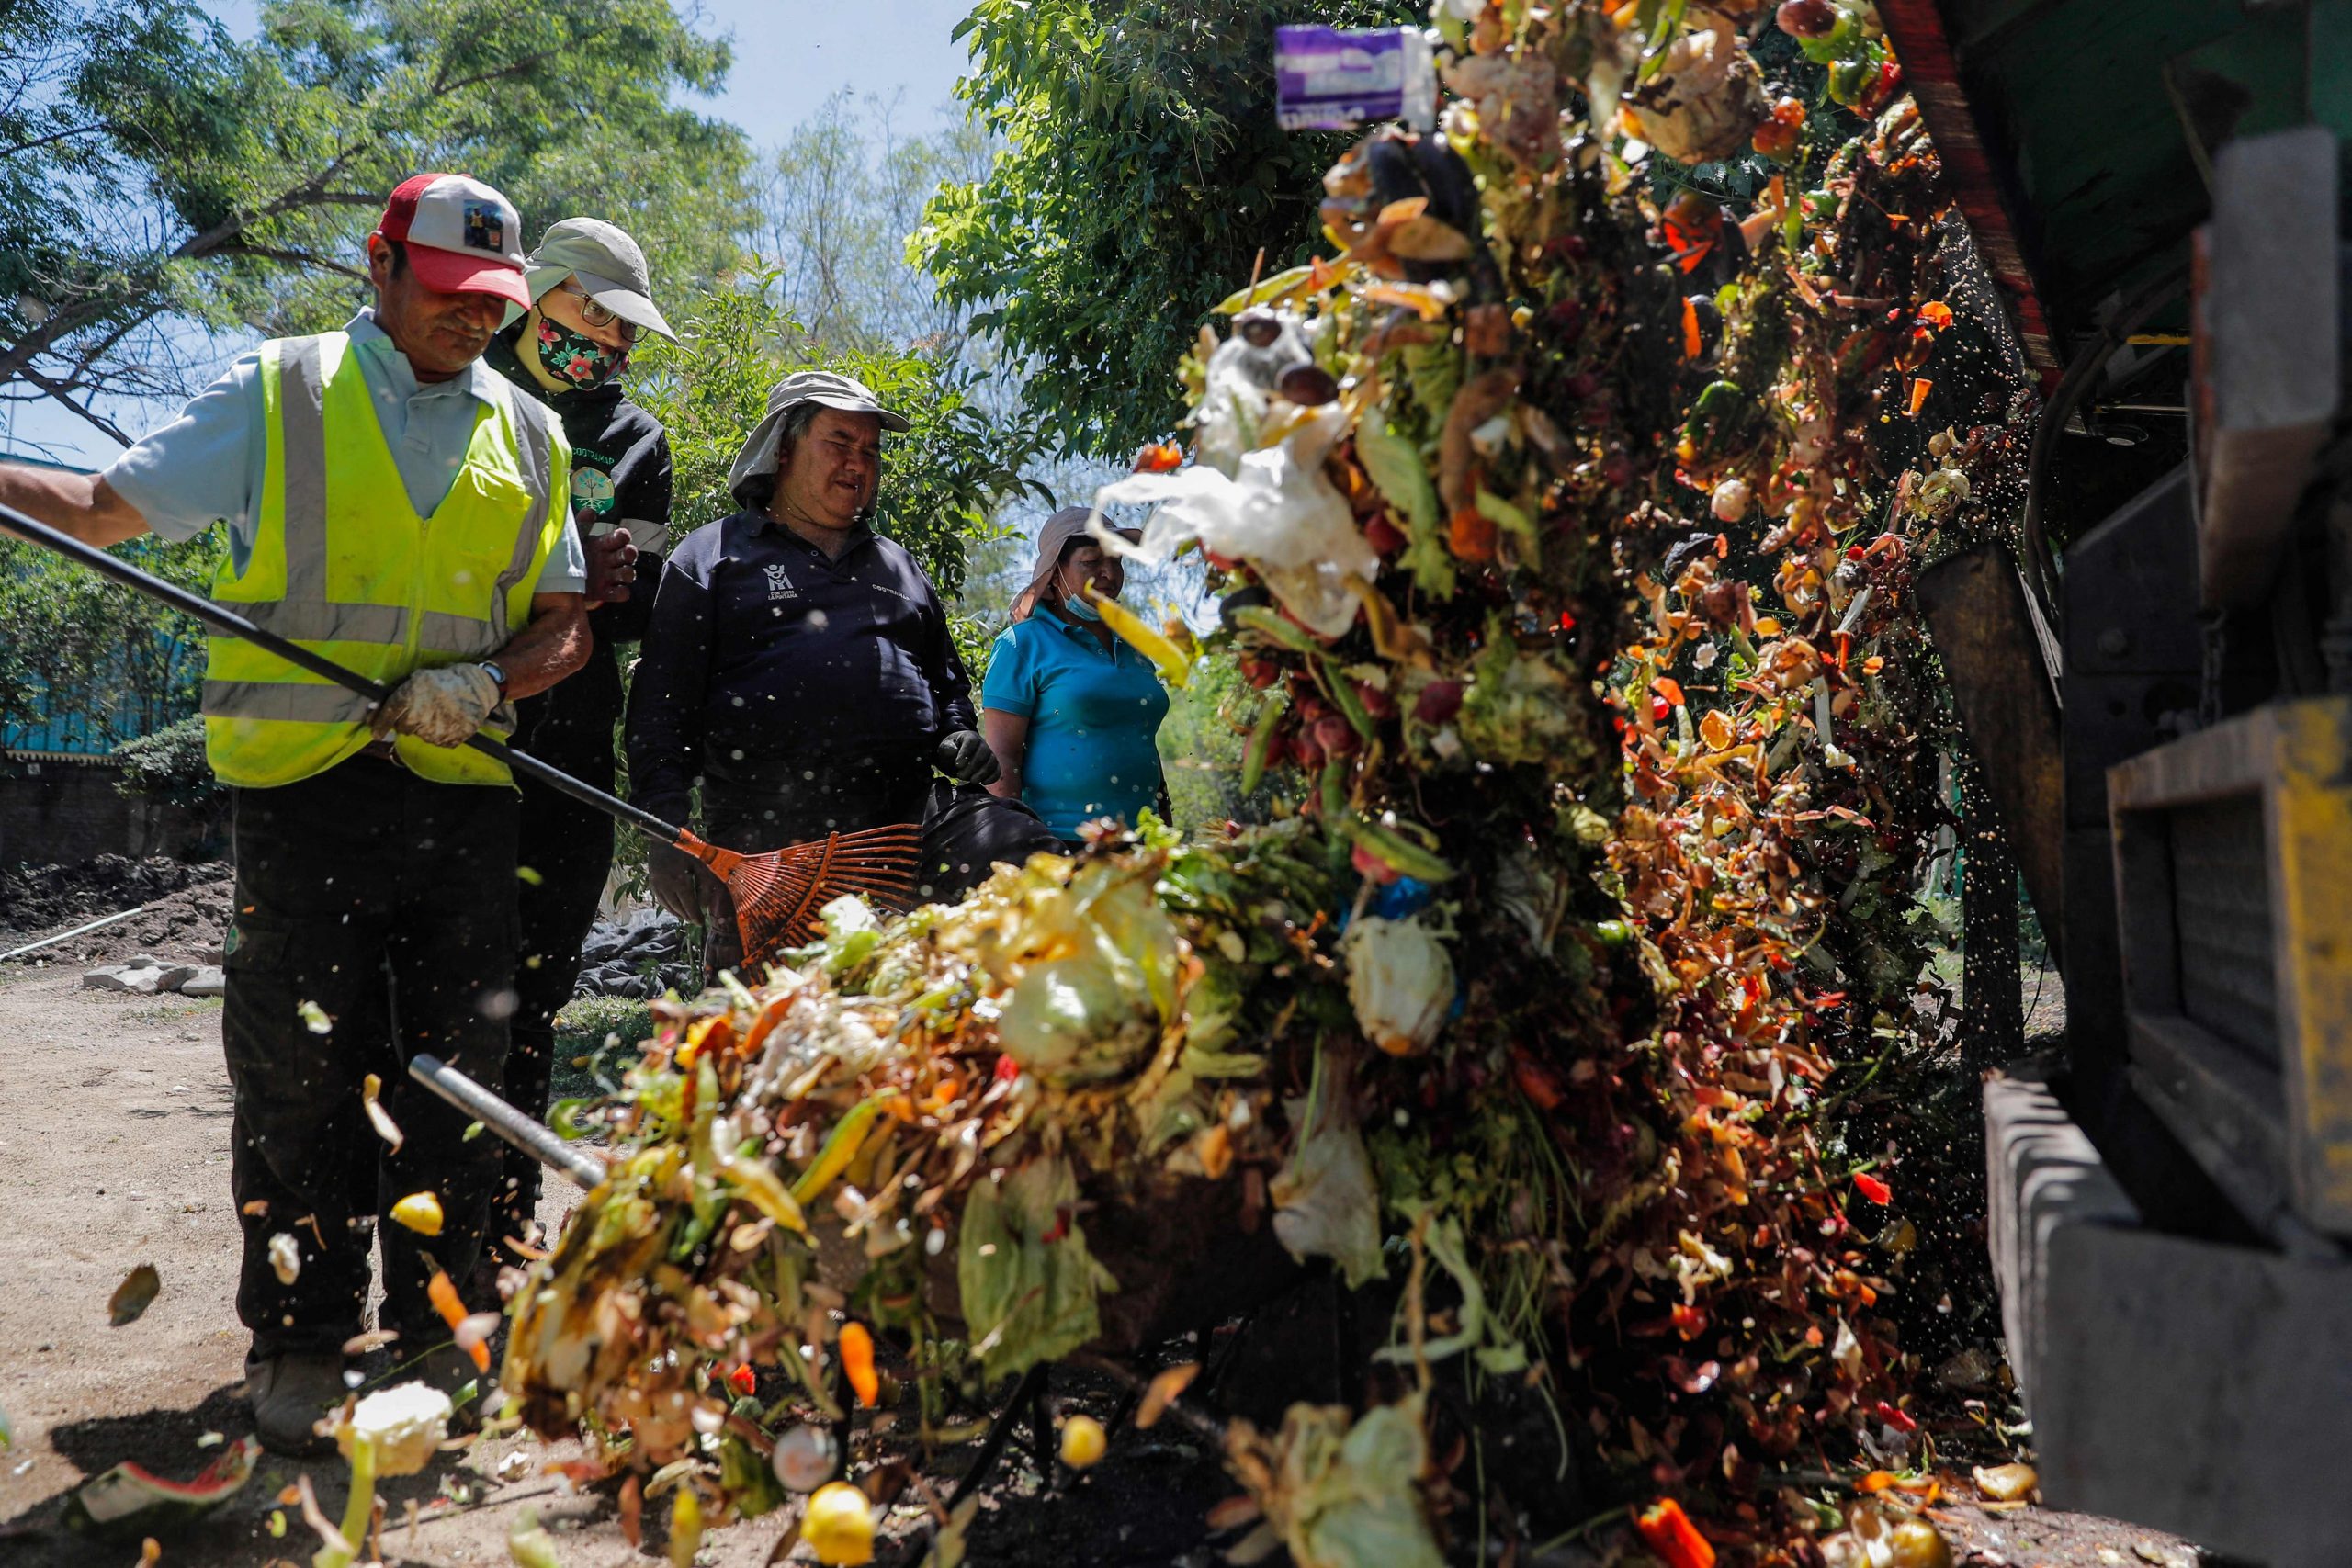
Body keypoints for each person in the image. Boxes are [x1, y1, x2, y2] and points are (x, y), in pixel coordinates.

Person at [0, 173, 587, 1455]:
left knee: (459, 1075)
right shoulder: (279, 393)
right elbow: (106, 510)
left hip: (464, 798)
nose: (470, 322)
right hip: (302, 794)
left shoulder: (531, 435)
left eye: (490, 302)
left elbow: (565, 627)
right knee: (299, 1074)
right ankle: (303, 1339)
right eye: (446, 295)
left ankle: (442, 1321)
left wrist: (487, 679)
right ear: (380, 269)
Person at [626, 371, 1059, 976]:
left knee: (1027, 857)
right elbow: (661, 705)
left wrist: (958, 732)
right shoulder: (713, 556)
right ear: (783, 448)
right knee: (783, 1026)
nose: (859, 463)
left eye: (871, 450)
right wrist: (664, 826)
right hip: (772, 841)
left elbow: (947, 688)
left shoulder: (898, 566)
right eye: (839, 442)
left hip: (912, 820)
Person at [481, 217, 675, 1278]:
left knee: (535, 994)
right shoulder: (460, 394)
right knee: (436, 978)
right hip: (452, 735)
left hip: (568, 746)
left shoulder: (637, 437)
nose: (603, 340)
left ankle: (505, 1222)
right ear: (538, 293)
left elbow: (636, 613)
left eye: (621, 327)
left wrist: (614, 590)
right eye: (588, 313)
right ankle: (413, 1217)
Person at [981, 507, 1170, 845]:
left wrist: (1165, 825)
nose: (1109, 574)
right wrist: (1015, 845)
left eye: (1116, 561)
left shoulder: (1135, 648)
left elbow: (1141, 739)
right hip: (1059, 842)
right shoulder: (1022, 644)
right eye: (1091, 562)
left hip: (1143, 839)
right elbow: (1003, 757)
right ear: (1055, 574)